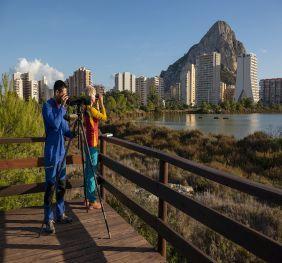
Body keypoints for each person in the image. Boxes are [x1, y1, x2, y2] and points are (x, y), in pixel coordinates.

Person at [42, 80, 74, 234]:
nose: (65, 96)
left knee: (61, 186)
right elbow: (54, 124)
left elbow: (65, 129)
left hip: (62, 155)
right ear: (56, 92)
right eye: (63, 93)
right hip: (51, 155)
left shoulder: (62, 109)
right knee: (50, 187)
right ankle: (48, 219)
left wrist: (73, 131)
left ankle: (60, 214)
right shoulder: (47, 106)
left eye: (66, 93)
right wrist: (62, 108)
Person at [83, 85, 107, 209]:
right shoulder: (91, 110)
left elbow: (95, 120)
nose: (95, 97)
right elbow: (104, 117)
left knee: (88, 172)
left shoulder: (86, 109)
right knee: (92, 174)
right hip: (92, 145)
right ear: (91, 97)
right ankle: (92, 201)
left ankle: (87, 198)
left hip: (87, 144)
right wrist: (102, 103)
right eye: (94, 95)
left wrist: (96, 104)